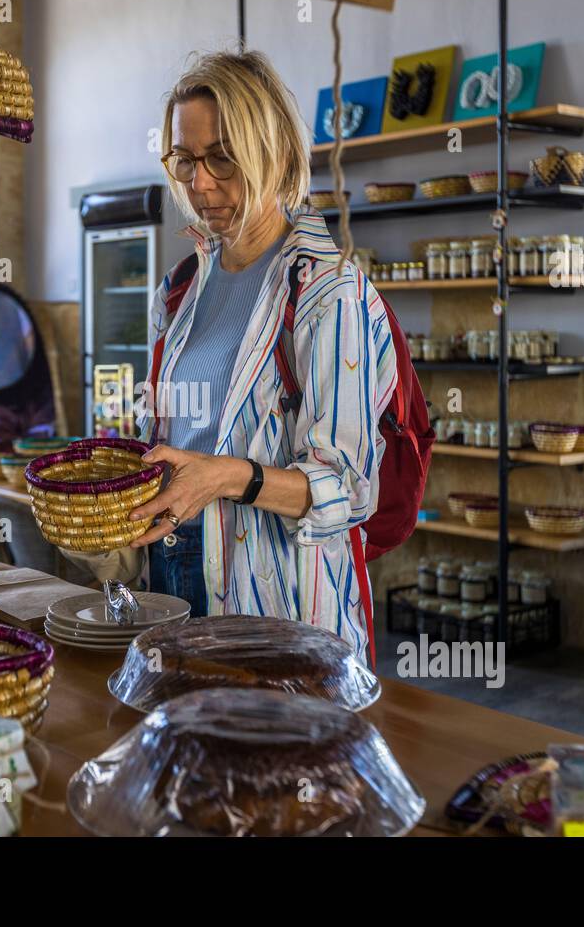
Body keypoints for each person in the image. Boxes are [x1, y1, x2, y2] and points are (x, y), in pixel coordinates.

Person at [117, 48, 398, 659]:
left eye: (222, 158)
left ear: (272, 153)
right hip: (172, 577)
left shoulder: (328, 290)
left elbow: (348, 489)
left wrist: (225, 478)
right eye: (185, 160)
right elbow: (167, 433)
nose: (200, 183)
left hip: (279, 606)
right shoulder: (180, 289)